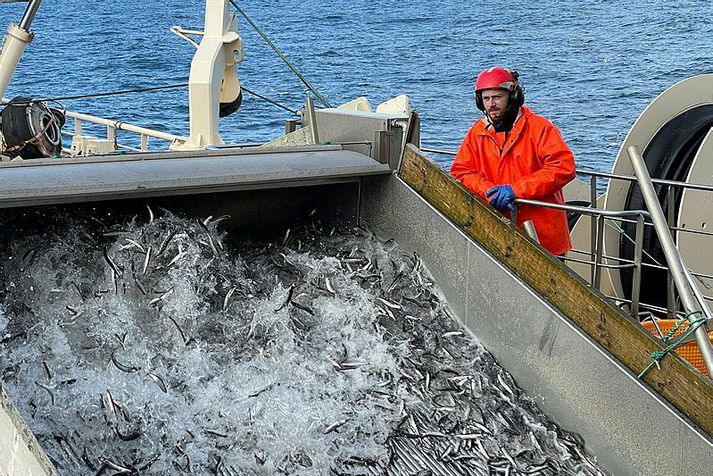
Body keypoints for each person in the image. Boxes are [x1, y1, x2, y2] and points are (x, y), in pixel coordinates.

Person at [450, 66, 576, 256]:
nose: (491, 104)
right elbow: (461, 170)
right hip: (499, 235)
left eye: (497, 97)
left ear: (513, 97)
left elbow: (563, 168)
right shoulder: (477, 132)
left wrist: (516, 190)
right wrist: (488, 192)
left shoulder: (540, 128)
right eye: (486, 99)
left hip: (544, 238)